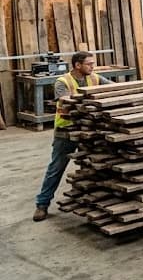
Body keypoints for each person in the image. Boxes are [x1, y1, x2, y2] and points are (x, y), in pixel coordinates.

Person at [33, 52, 111, 222]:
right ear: (77, 65)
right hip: (65, 132)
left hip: (88, 131)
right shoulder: (62, 82)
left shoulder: (95, 78)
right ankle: (42, 204)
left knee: (95, 165)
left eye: (93, 63)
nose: (92, 66)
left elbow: (113, 88)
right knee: (56, 169)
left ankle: (95, 202)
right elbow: (66, 99)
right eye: (89, 64)